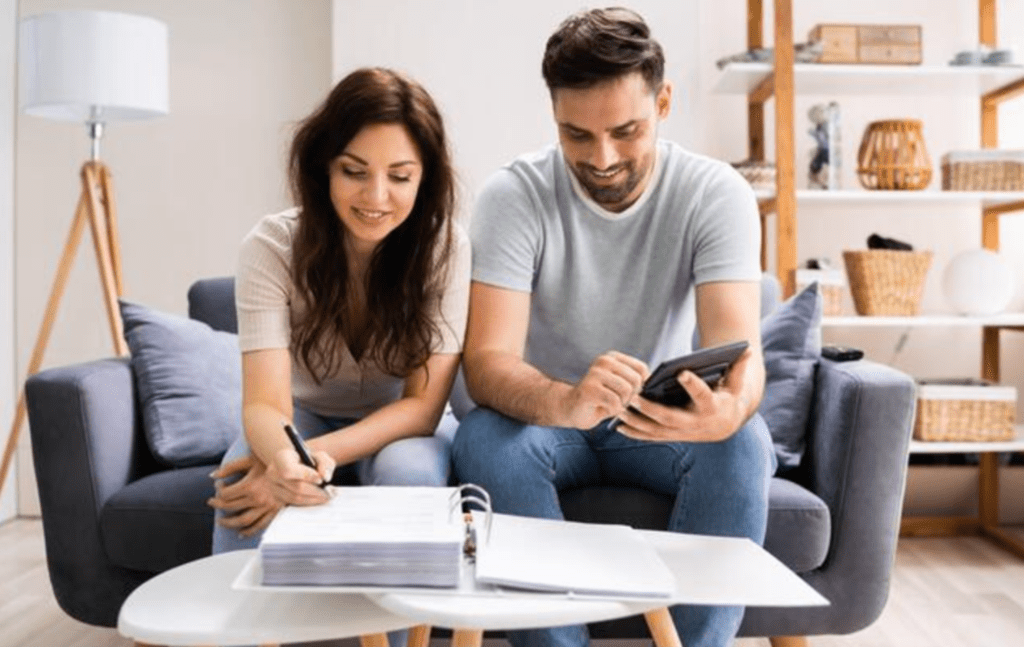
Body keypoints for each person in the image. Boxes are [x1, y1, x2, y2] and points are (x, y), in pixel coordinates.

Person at [451, 8, 774, 647]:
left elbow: (741, 352)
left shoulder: (715, 193)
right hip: (545, 420)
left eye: (626, 131)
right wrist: (566, 400)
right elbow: (486, 363)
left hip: (653, 420)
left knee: (744, 442)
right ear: (554, 115)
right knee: (484, 440)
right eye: (577, 135)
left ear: (664, 103)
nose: (602, 159)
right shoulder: (513, 196)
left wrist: (730, 410)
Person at [208, 67, 470, 555]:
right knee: (241, 481)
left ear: (425, 178)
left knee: (409, 474)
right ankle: (238, 607)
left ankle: (390, 609)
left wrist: (304, 461)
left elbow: (422, 407)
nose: (376, 196)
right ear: (324, 167)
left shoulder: (446, 248)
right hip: (302, 415)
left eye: (400, 176)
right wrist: (282, 460)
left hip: (400, 423)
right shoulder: (270, 247)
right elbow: (265, 404)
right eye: (354, 171)